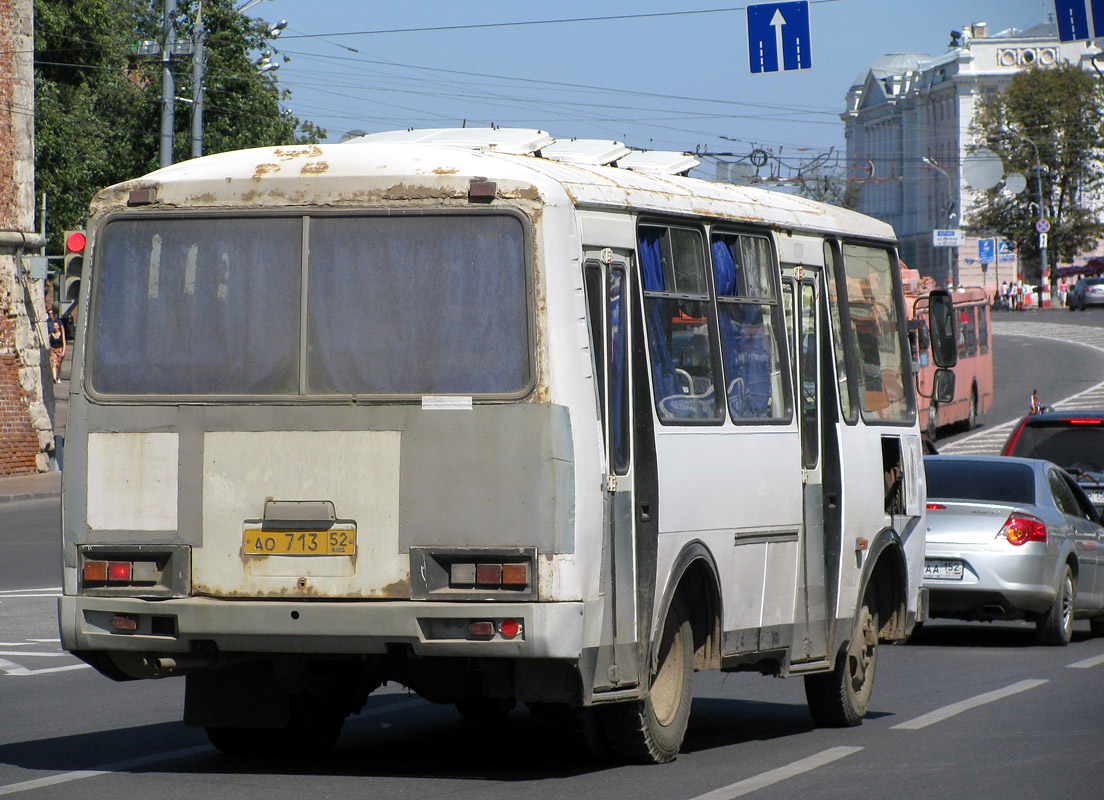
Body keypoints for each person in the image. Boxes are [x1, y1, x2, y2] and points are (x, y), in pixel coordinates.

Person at [46, 307, 66, 383]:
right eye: (49, 314)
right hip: (53, 347)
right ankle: (54, 378)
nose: (50, 315)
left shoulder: (58, 321)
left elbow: (62, 330)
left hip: (59, 348)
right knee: (53, 363)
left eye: (52, 313)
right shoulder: (47, 322)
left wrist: (63, 351)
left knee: (59, 364)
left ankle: (58, 377)